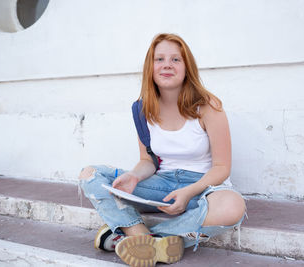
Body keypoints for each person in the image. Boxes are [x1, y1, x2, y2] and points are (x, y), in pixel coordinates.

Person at [79, 33, 246, 267]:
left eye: (176, 60)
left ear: (187, 67)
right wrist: (134, 176)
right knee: (90, 174)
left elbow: (222, 168)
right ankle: (143, 238)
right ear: (151, 67)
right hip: (162, 187)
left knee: (232, 207)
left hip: (202, 187)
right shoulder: (141, 109)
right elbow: (147, 160)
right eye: (160, 59)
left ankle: (127, 237)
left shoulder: (208, 106)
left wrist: (189, 192)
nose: (167, 64)